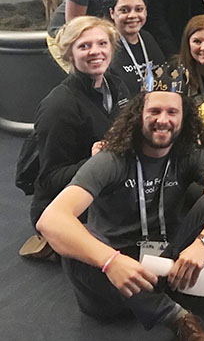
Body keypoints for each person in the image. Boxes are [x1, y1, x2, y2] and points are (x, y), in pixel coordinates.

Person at [36, 64, 204, 341]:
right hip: (114, 282)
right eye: (154, 111)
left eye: (172, 112)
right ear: (138, 114)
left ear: (184, 116)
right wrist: (110, 261)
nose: (163, 119)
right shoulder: (112, 158)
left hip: (166, 267)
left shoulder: (189, 152)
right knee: (76, 235)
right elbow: (51, 220)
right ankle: (180, 321)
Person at [31, 16, 131, 228]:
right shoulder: (60, 106)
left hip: (110, 186)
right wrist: (94, 162)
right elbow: (49, 179)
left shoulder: (116, 86)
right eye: (84, 46)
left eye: (102, 43)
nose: (95, 51)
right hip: (66, 205)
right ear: (69, 54)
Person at [107, 0, 165, 93]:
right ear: (112, 13)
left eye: (139, 9)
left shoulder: (147, 38)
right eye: (124, 10)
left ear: (146, 11)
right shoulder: (105, 45)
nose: (132, 15)